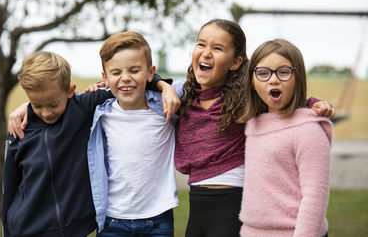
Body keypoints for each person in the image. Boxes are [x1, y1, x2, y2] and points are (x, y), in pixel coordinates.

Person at [173, 19, 335, 237]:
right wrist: (161, 85)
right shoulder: (182, 97)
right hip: (198, 208)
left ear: (236, 62)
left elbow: (277, 92)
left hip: (232, 207)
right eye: (201, 44)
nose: (206, 52)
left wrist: (313, 103)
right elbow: (144, 82)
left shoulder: (243, 100)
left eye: (218, 48)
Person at [3, 50, 179, 237]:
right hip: (27, 230)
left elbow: (129, 82)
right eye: (37, 105)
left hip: (76, 230)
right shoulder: (20, 130)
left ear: (70, 91)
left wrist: (163, 85)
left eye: (53, 104)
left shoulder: (82, 108)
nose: (46, 113)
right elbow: (9, 187)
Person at [86, 31, 179, 237]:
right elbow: (57, 102)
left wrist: (165, 86)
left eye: (135, 70)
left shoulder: (164, 106)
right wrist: (26, 108)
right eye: (116, 72)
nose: (125, 78)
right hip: (112, 220)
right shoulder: (100, 112)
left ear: (150, 72)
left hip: (158, 219)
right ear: (105, 78)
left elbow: (191, 87)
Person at [238, 38, 332, 237]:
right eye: (263, 73)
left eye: (284, 72)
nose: (273, 79)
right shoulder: (253, 123)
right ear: (252, 81)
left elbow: (315, 197)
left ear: (298, 77)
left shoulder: (308, 130)